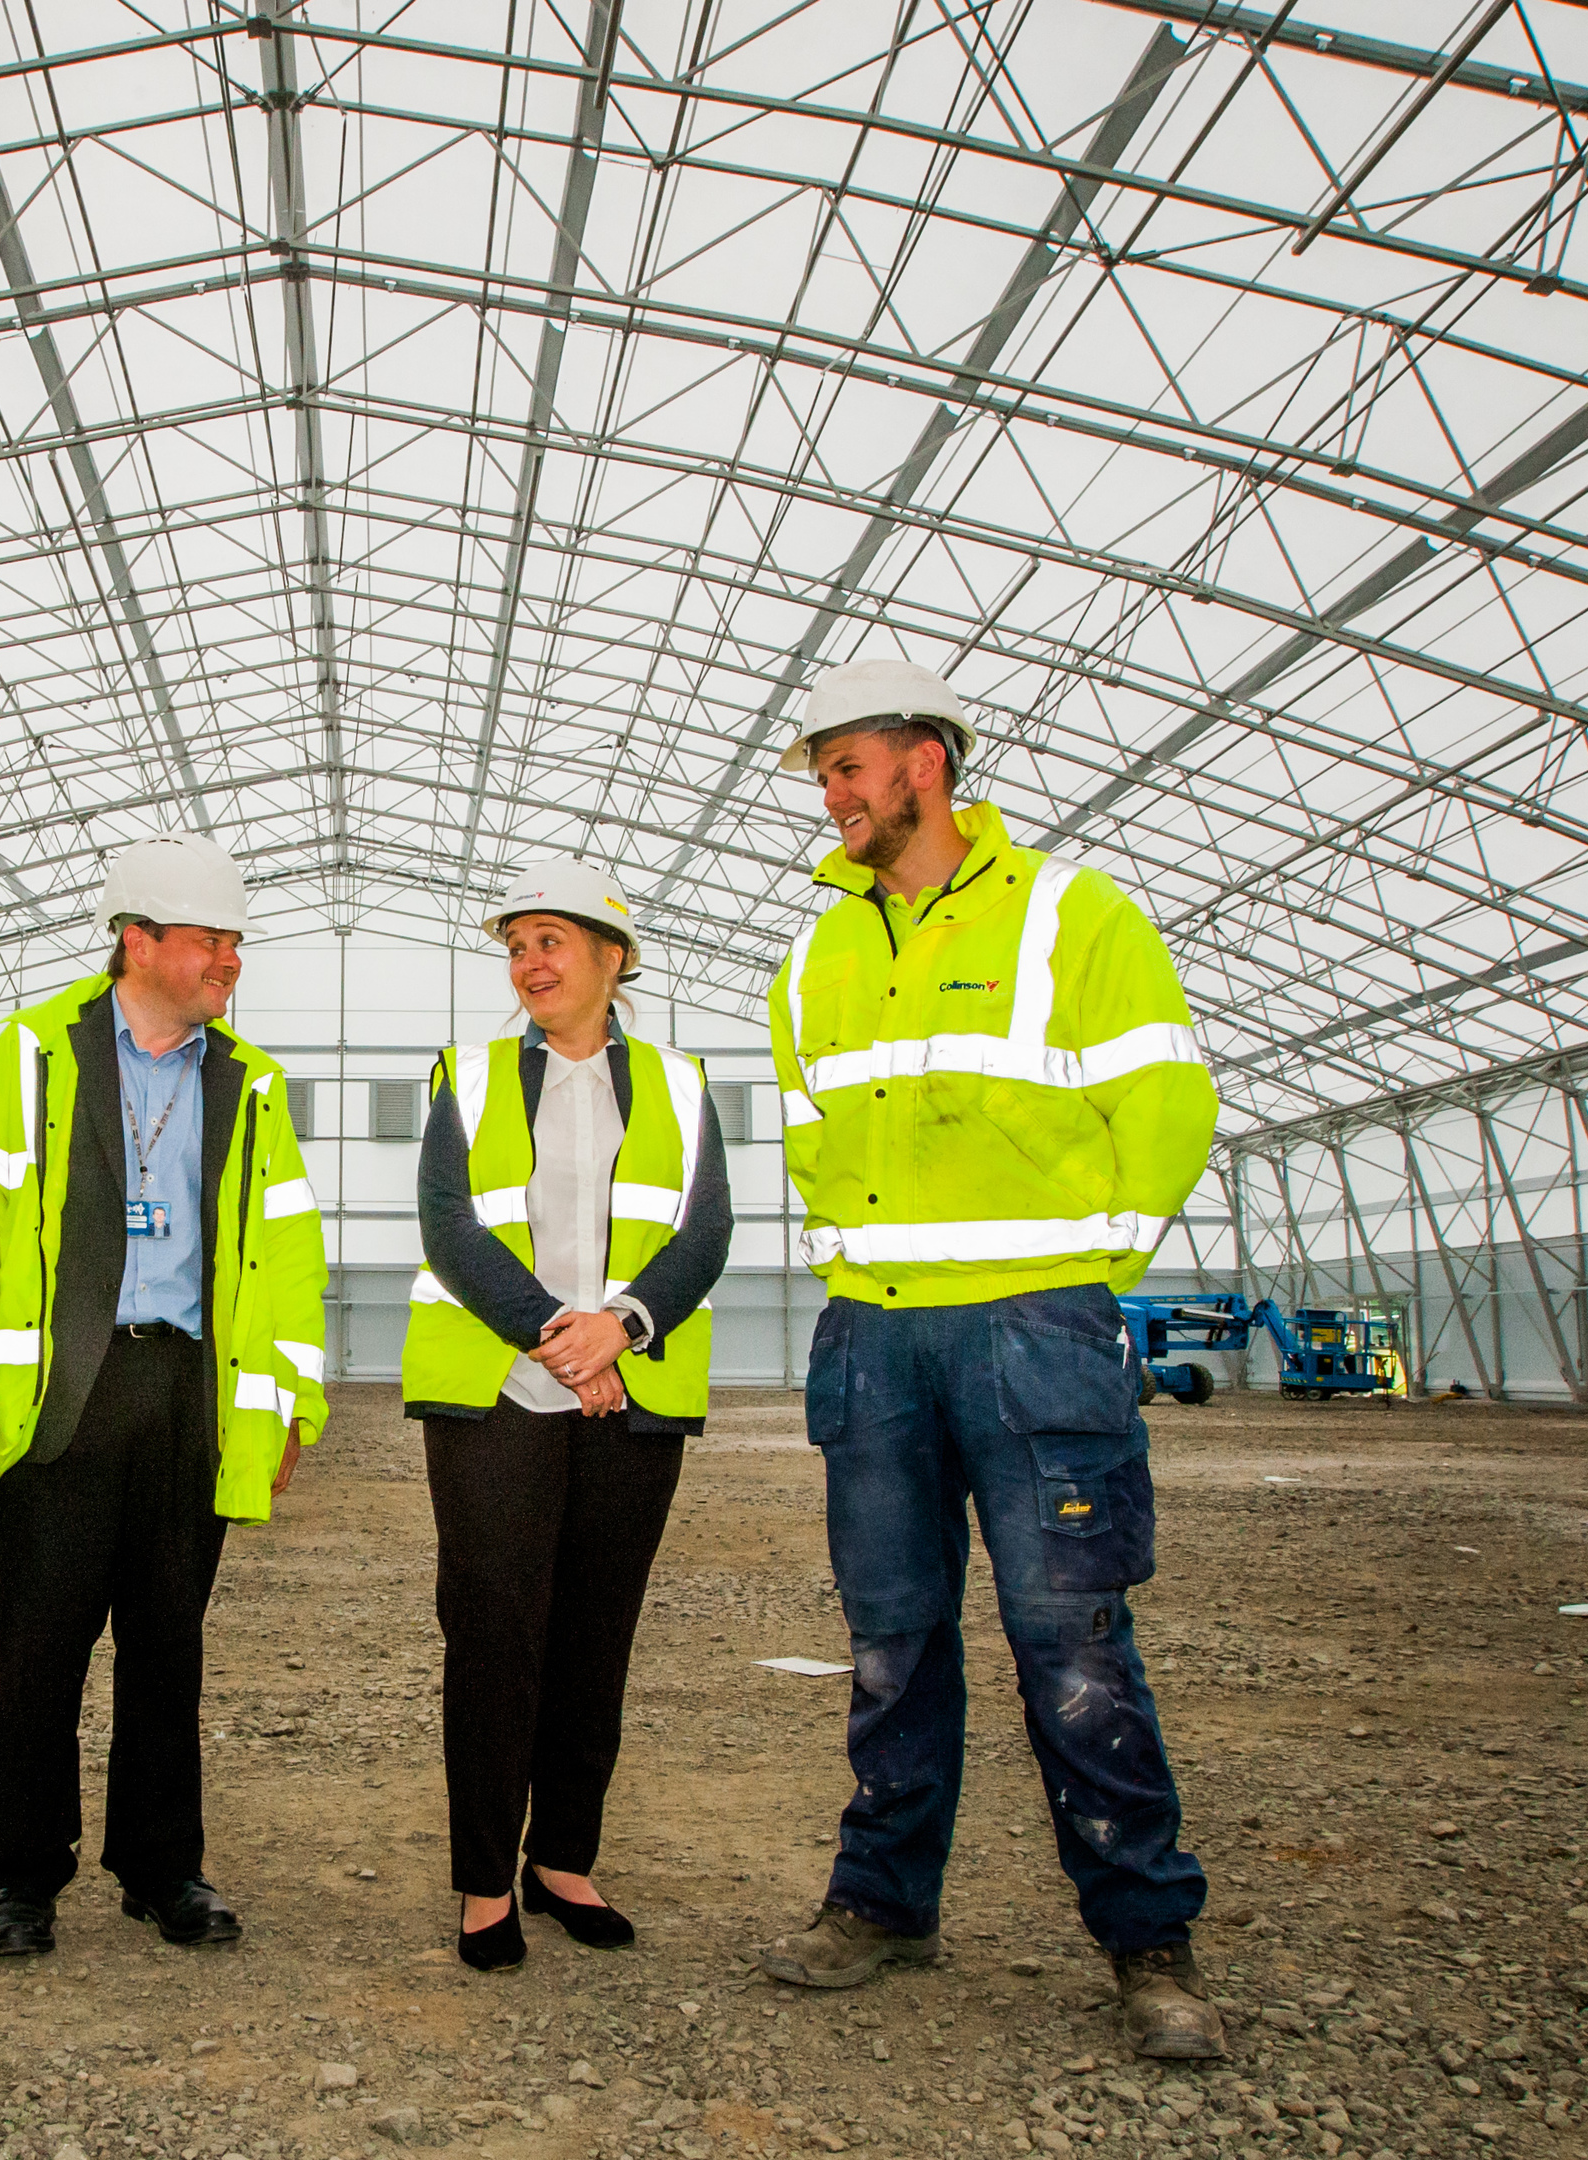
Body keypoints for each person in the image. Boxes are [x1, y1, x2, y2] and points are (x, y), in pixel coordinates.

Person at [750, 656, 1224, 2060]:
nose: (830, 795)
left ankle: (1148, 1940)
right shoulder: (815, 952)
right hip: (875, 1336)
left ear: (925, 765)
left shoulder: (1074, 913)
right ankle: (883, 1907)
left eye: (846, 767)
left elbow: (1167, 1095)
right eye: (825, 773)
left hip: (1034, 1329)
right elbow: (810, 1129)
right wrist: (859, 1259)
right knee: (891, 1642)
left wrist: (1086, 1263)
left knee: (1069, 1644)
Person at [0, 833, 328, 1960]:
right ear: (138, 943)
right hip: (63, 1393)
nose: (229, 960)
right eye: (208, 940)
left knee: (166, 1648)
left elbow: (285, 1262)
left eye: (236, 941)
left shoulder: (249, 1081)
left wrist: (286, 1405)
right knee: (39, 1649)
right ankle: (25, 1877)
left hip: (187, 1389)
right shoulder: (35, 1055)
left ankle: (161, 1869)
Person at [404, 859, 730, 1972]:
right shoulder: (471, 1071)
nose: (529, 963)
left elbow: (704, 1235)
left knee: (596, 1638)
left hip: (626, 1395)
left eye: (550, 941)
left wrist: (623, 1328)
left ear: (611, 957)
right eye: (516, 946)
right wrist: (560, 1332)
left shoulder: (684, 1087)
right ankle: (484, 1878)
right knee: (494, 1637)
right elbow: (451, 1227)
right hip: (498, 1395)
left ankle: (563, 1860)